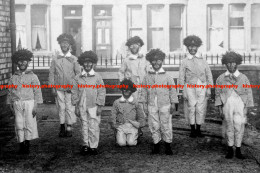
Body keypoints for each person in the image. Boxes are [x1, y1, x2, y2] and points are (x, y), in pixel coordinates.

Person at [139, 49, 179, 155]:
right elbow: (143, 90)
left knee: (166, 124)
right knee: (154, 124)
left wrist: (173, 103)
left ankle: (167, 145)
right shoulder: (147, 77)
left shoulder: (167, 76)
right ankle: (156, 144)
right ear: (151, 62)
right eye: (154, 60)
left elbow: (172, 90)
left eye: (159, 60)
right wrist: (143, 103)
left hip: (165, 103)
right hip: (152, 103)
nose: (156, 63)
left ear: (162, 61)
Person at [215, 51, 254, 159]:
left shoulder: (243, 77)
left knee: (239, 126)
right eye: (228, 63)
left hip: (240, 103)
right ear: (225, 64)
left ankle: (238, 149)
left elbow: (248, 92)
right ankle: (230, 149)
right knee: (229, 126)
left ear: (237, 63)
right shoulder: (221, 78)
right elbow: (218, 94)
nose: (231, 65)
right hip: (227, 104)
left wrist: (246, 108)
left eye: (233, 63)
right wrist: (219, 109)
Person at [7, 49, 43, 154]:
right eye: (20, 61)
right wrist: (10, 104)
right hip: (17, 103)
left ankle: (27, 143)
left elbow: (37, 92)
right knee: (19, 124)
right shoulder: (13, 77)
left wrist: (35, 105)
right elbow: (10, 92)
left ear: (28, 62)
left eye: (24, 61)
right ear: (16, 62)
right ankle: (21, 144)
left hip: (29, 103)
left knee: (28, 123)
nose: (22, 63)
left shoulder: (33, 76)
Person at [71, 51, 106, 155]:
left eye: (90, 62)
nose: (87, 64)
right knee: (84, 125)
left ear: (93, 63)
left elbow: (101, 91)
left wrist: (99, 106)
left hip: (93, 105)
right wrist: (76, 105)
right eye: (85, 62)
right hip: (82, 105)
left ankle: (93, 145)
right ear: (82, 63)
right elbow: (74, 92)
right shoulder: (77, 78)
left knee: (94, 125)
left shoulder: (97, 77)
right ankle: (85, 145)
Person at [179, 35, 213, 138]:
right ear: (187, 47)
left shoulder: (203, 60)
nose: (192, 48)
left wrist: (209, 88)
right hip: (189, 86)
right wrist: (182, 90)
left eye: (194, 46)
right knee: (191, 108)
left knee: (200, 108)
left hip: (202, 85)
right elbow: (181, 76)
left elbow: (208, 74)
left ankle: (198, 129)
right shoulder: (184, 61)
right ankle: (192, 129)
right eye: (190, 46)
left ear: (198, 47)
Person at [49, 33, 81, 138]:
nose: (64, 45)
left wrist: (74, 87)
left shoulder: (74, 59)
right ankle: (62, 126)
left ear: (69, 45)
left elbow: (78, 74)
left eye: (66, 43)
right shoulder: (55, 58)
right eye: (62, 43)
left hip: (70, 88)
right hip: (58, 88)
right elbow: (52, 73)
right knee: (61, 107)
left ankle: (69, 127)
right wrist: (52, 87)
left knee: (69, 107)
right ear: (60, 44)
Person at [110, 79, 146, 147]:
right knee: (121, 143)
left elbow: (141, 116)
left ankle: (137, 134)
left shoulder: (136, 102)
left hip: (132, 126)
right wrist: (114, 125)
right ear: (121, 90)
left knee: (131, 143)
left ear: (132, 91)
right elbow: (113, 114)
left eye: (129, 89)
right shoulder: (117, 102)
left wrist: (139, 125)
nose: (126, 91)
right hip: (121, 125)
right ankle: (118, 135)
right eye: (124, 89)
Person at [118, 36, 150, 100]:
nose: (134, 47)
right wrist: (125, 83)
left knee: (143, 105)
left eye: (137, 45)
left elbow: (148, 72)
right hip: (131, 87)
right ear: (129, 47)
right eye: (132, 45)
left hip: (143, 87)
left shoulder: (145, 59)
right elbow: (121, 72)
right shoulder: (126, 60)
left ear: (140, 47)